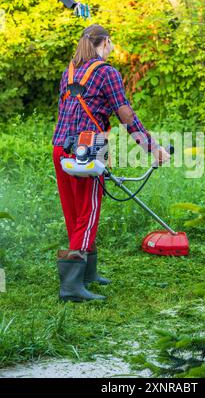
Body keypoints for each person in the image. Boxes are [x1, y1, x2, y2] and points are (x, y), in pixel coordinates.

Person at [52, 24, 170, 302]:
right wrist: (153, 148)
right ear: (104, 43)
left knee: (74, 212)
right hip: (88, 148)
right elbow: (125, 115)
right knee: (89, 212)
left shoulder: (68, 72)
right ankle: (71, 287)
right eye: (111, 42)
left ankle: (86, 274)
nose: (112, 47)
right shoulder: (107, 72)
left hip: (60, 148)